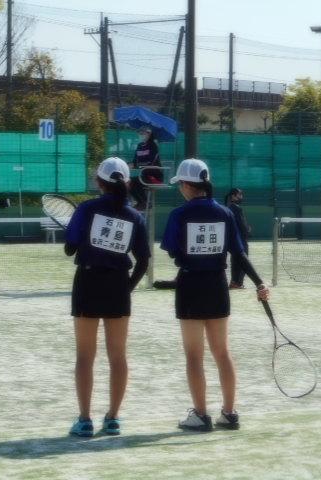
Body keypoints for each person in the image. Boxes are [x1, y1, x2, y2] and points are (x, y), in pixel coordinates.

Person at [161, 159, 270, 432]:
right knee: (222, 353)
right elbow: (239, 254)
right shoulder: (225, 213)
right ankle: (230, 414)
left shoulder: (179, 214)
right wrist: (259, 283)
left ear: (187, 185)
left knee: (194, 356)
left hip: (190, 286)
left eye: (180, 184)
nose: (180, 189)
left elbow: (173, 251)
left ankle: (200, 415)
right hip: (218, 286)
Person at [65, 157, 151, 437]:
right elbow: (143, 261)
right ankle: (113, 418)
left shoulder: (87, 209)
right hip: (118, 286)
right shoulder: (134, 216)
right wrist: (126, 288)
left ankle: (84, 420)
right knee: (118, 356)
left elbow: (69, 249)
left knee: (84, 356)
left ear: (98, 181)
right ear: (127, 182)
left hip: (88, 283)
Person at [130, 127, 163, 210]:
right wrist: (129, 165)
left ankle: (145, 203)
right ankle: (141, 202)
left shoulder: (153, 145)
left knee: (135, 182)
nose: (141, 135)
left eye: (143, 133)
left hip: (154, 176)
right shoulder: (139, 146)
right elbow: (135, 161)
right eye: (140, 133)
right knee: (129, 182)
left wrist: (138, 165)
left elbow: (151, 162)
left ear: (149, 134)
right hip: (144, 175)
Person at [224, 188, 251, 289]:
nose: (241, 197)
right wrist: (248, 231)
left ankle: (234, 282)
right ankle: (238, 283)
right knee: (243, 260)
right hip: (240, 239)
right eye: (239, 195)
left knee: (235, 260)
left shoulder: (228, 207)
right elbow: (242, 224)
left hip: (233, 239)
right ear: (233, 196)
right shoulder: (236, 208)